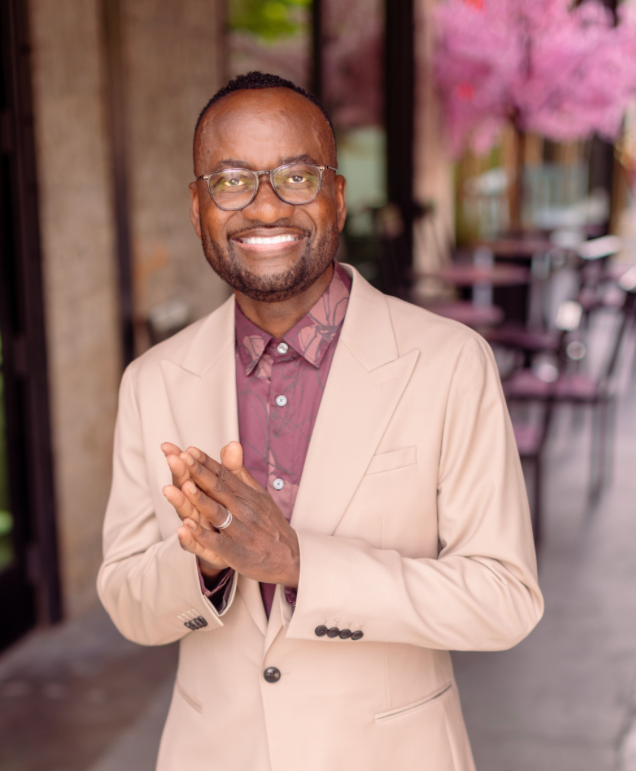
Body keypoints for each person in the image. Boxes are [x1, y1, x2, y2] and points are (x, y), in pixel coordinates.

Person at [98, 71, 543, 771]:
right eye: (231, 181)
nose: (265, 206)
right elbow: (125, 596)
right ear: (198, 207)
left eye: (296, 177)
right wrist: (205, 563)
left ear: (337, 196)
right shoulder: (152, 380)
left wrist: (298, 561)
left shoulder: (450, 362)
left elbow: (504, 598)